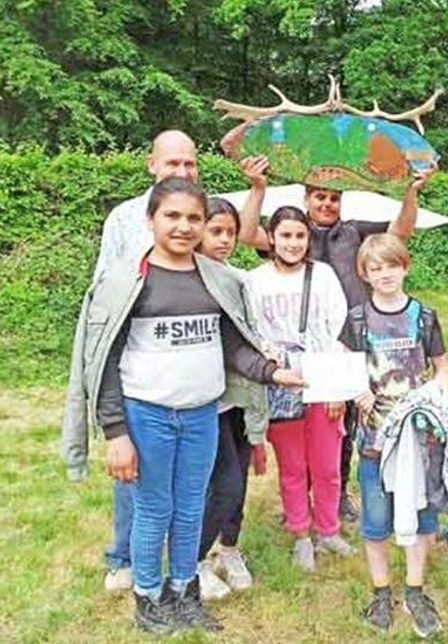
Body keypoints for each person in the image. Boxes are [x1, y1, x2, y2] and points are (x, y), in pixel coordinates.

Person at [62, 177, 301, 634]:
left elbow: (235, 347)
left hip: (201, 416)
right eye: (172, 216)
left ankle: (184, 591)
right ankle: (148, 596)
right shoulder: (126, 283)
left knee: (191, 507)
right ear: (150, 220)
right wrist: (115, 433)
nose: (184, 226)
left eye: (194, 217)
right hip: (146, 416)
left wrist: (274, 372)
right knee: (155, 508)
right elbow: (104, 362)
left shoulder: (216, 280)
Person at [88, 130, 269, 592]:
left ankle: (184, 575)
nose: (182, 172)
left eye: (190, 165)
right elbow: (107, 304)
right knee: (142, 487)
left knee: (190, 495)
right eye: (173, 165)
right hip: (145, 385)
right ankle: (127, 561)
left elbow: (227, 297)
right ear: (152, 165)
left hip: (199, 389)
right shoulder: (124, 219)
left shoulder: (203, 216)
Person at [243, 168, 437, 522]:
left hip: (350, 345)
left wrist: (411, 191)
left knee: (342, 422)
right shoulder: (293, 233)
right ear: (306, 199)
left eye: (334, 198)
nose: (327, 203)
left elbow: (401, 232)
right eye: (320, 196)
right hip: (300, 352)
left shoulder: (354, 232)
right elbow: (247, 233)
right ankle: (299, 499)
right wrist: (258, 188)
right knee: (295, 426)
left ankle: (337, 493)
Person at [339, 233, 448, 639]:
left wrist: (434, 394)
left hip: (419, 440)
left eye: (391, 265)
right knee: (375, 520)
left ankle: (416, 591)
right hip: (374, 440)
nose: (384, 274)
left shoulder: (424, 315)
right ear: (365, 275)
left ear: (406, 266)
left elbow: (441, 367)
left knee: (423, 518)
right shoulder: (357, 319)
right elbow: (345, 367)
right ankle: (382, 592)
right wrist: (358, 388)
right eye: (375, 268)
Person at [248, 206, 356, 571]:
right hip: (280, 380)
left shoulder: (323, 275)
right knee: (293, 465)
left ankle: (328, 529)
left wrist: (337, 386)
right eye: (286, 235)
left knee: (327, 464)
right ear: (272, 237)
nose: (293, 243)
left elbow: (340, 328)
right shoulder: (255, 281)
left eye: (300, 236)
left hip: (323, 377)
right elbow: (253, 332)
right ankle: (300, 533)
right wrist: (274, 364)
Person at [193, 197, 265, 598]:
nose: (223, 240)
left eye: (230, 233)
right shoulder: (190, 279)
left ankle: (229, 549)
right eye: (215, 231)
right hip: (207, 399)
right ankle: (194, 560)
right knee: (223, 484)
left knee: (240, 476)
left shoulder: (238, 278)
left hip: (242, 394)